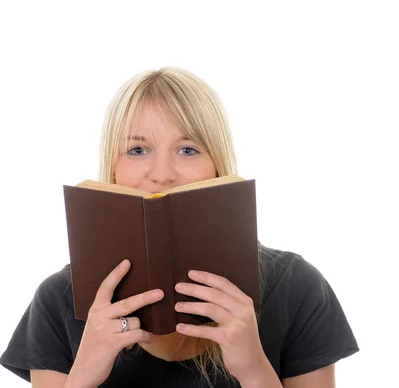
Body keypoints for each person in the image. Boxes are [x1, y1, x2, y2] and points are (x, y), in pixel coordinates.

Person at [0, 67, 359, 387]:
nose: (162, 174)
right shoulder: (56, 301)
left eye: (187, 149)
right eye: (137, 150)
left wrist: (253, 370)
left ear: (218, 167)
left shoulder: (298, 287)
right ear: (113, 170)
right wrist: (83, 376)